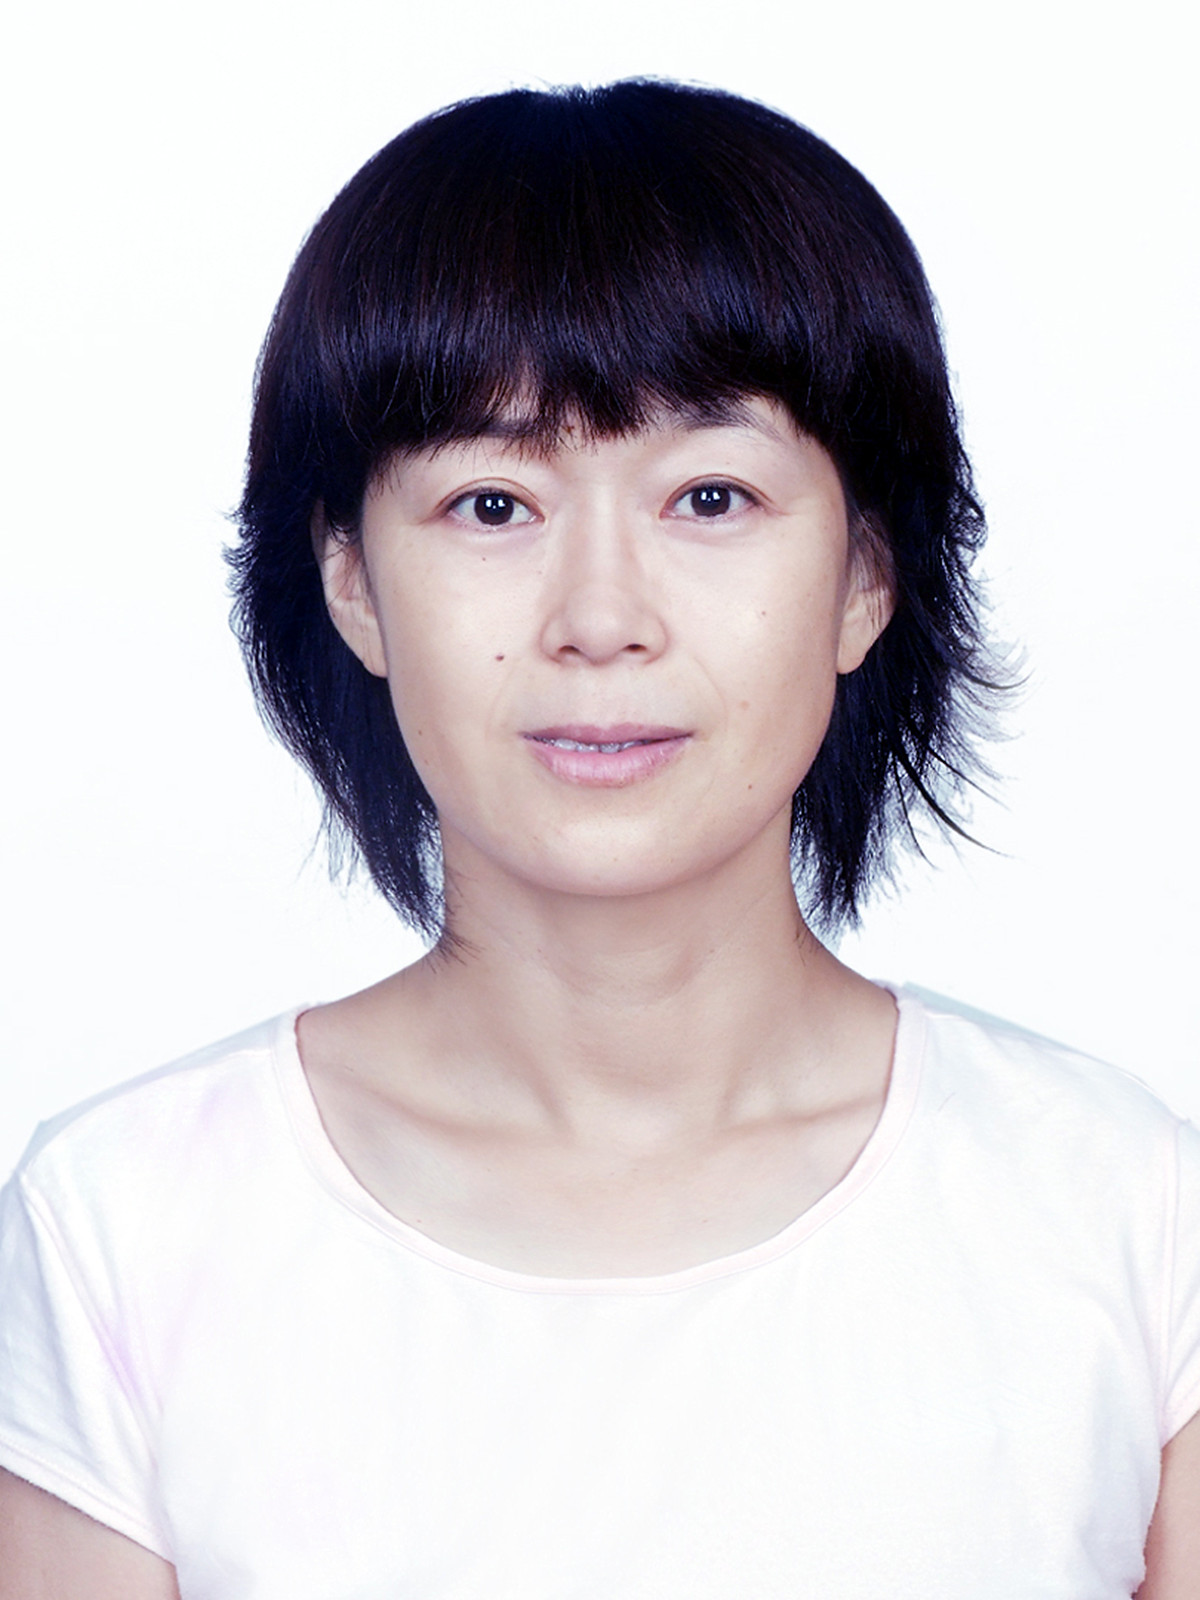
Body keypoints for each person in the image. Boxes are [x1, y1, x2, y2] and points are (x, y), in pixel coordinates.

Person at [0, 78, 1197, 1600]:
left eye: (712, 494)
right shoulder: (125, 1227)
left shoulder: (1120, 1209)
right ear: (353, 586)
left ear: (864, 580)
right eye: (493, 506)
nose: (601, 618)